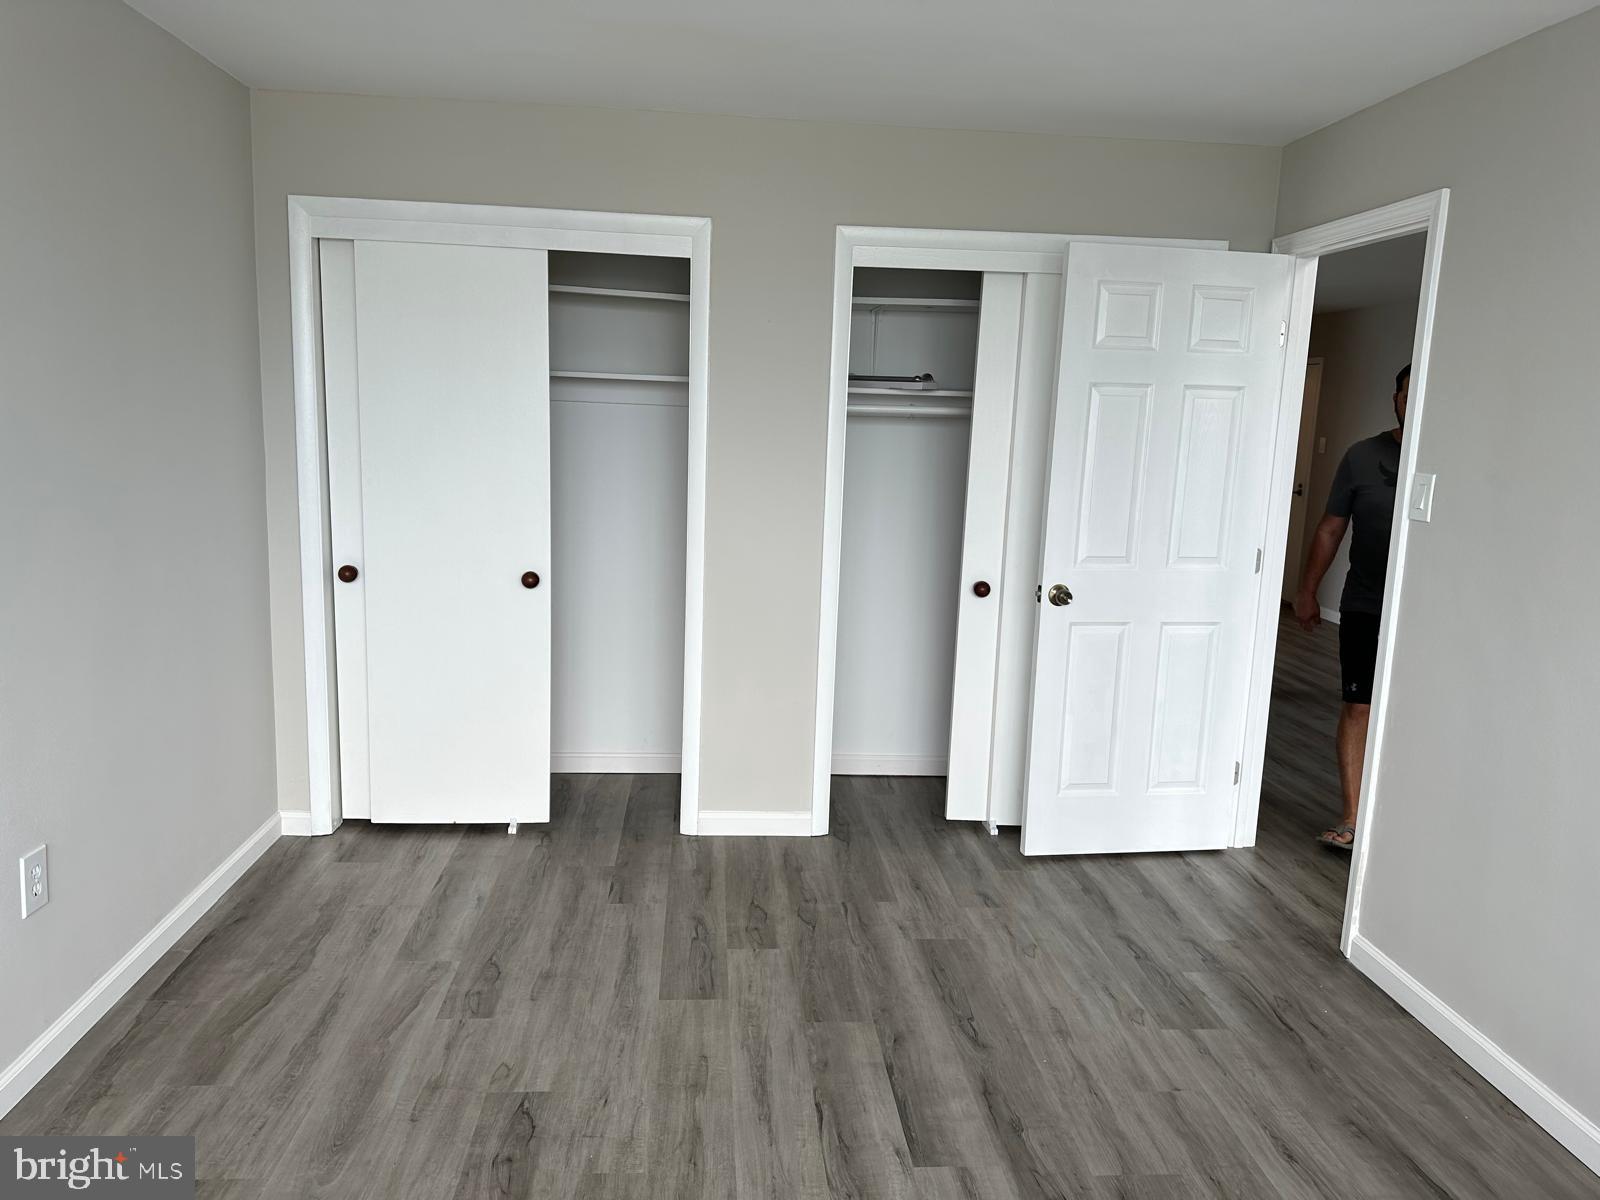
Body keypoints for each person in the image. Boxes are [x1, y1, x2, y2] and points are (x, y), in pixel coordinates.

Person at [1292, 363, 1408, 850]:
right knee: (1358, 706)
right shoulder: (1363, 456)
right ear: (1396, 397)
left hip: (1429, 614)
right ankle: (1353, 818)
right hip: (1365, 603)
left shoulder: (1459, 453)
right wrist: (1307, 588)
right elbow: (1330, 526)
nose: (1415, 399)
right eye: (1407, 389)